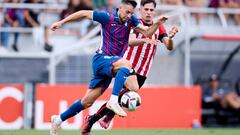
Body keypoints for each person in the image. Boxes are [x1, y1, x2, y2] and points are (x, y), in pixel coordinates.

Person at [49, 0, 168, 135]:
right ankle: (113, 101)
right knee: (127, 64)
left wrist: (158, 23)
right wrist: (61, 22)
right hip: (101, 60)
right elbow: (83, 13)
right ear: (120, 8)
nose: (129, 16)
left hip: (112, 66)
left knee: (89, 101)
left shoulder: (131, 20)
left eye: (131, 13)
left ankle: (57, 120)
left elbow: (147, 32)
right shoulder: (107, 17)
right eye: (127, 12)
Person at [80, 0, 178, 134]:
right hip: (128, 66)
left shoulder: (158, 27)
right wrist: (144, 40)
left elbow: (169, 46)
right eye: (146, 9)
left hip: (143, 71)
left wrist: (171, 37)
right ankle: (97, 118)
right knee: (123, 96)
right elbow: (130, 41)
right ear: (141, 10)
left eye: (151, 10)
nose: (148, 13)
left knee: (123, 97)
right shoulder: (134, 22)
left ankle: (104, 117)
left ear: (154, 11)